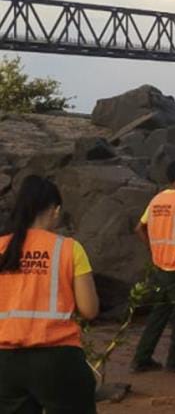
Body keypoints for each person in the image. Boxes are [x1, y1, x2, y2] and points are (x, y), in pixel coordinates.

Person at [0, 175, 100, 413]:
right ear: (55, 211)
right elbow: (89, 309)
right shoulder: (68, 248)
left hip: (4, 361)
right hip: (57, 358)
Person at [131, 160, 175, 374]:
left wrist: (153, 248)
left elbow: (138, 228)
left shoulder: (156, 200)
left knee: (159, 313)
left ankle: (142, 358)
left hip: (160, 265)